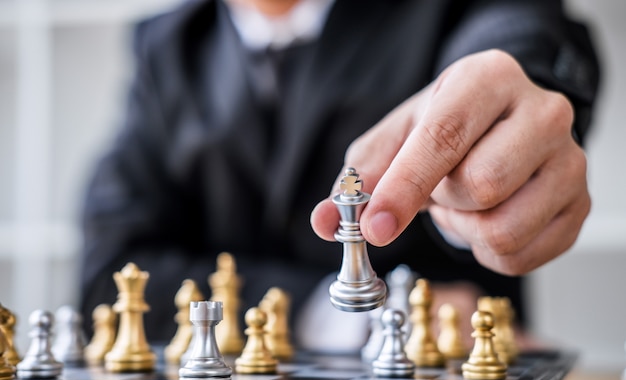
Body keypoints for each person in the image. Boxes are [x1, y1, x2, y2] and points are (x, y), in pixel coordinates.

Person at [79, 0, 600, 344]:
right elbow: (110, 274)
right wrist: (339, 318)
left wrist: (510, 93)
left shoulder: (449, 10)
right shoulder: (167, 47)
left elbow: (517, 32)